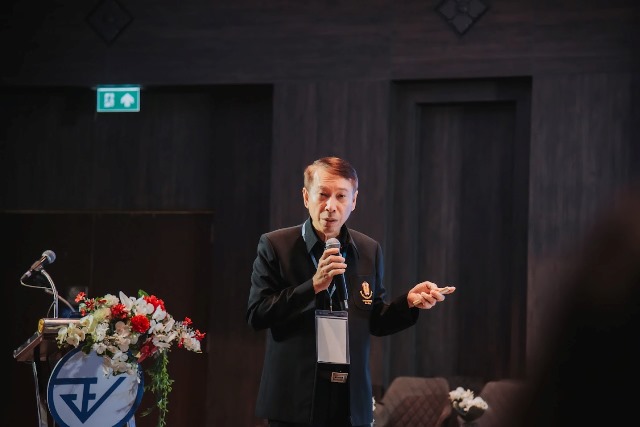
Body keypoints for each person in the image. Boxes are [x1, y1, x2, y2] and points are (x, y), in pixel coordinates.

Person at [246, 156, 455, 427]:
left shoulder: (368, 250)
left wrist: (408, 303)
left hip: (349, 399)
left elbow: (375, 319)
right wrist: (313, 286)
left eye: (341, 196)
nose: (331, 206)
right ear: (306, 197)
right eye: (323, 194)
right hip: (295, 399)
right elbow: (257, 314)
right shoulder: (276, 246)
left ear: (354, 201)